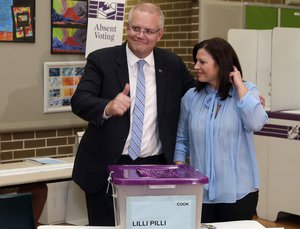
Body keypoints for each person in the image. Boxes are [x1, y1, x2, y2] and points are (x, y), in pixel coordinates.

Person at [71, 3, 195, 226]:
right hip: (106, 169)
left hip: (155, 169)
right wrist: (108, 106)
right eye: (135, 28)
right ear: (127, 28)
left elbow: (198, 93)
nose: (140, 36)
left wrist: (239, 89)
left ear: (160, 34)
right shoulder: (101, 60)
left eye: (148, 31)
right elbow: (79, 101)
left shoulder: (172, 64)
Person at [174, 38, 268, 223]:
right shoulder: (191, 97)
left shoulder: (247, 91)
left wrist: (240, 86)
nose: (196, 66)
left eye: (202, 62)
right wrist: (179, 167)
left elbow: (256, 124)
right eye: (196, 61)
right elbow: (181, 138)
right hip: (199, 191)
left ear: (221, 63)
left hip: (240, 192)